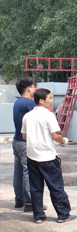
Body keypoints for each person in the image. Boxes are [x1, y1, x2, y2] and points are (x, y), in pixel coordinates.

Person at [21, 88, 76, 224]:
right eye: (50, 98)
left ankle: (38, 216)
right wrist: (63, 141)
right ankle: (63, 214)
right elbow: (55, 135)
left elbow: (24, 136)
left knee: (36, 188)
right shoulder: (48, 115)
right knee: (56, 186)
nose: (52, 101)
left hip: (32, 157)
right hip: (48, 158)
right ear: (41, 101)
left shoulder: (27, 116)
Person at [12, 78, 36, 211]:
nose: (35, 89)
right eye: (34, 87)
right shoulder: (29, 103)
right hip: (25, 142)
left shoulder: (17, 102)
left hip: (16, 141)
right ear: (28, 89)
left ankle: (19, 200)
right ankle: (30, 203)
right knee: (28, 172)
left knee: (18, 172)